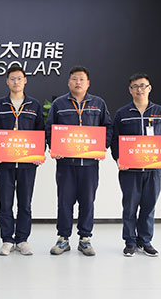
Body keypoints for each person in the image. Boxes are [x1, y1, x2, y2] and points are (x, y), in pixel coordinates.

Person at [45, 66, 112, 256]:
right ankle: (63, 239)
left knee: (87, 201)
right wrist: (54, 147)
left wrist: (102, 147)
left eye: (81, 79)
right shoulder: (59, 104)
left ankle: (85, 239)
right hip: (66, 164)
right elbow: (49, 128)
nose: (78, 82)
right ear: (69, 82)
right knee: (64, 202)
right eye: (74, 79)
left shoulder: (98, 103)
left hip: (89, 165)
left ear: (88, 83)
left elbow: (108, 127)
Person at [110, 73, 161, 257]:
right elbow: (115, 140)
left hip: (153, 170)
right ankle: (130, 242)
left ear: (149, 88)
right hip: (130, 170)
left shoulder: (160, 112)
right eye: (135, 86)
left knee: (148, 206)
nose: (139, 89)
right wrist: (118, 158)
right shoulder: (122, 114)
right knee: (129, 207)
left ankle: (145, 241)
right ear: (130, 90)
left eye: (143, 86)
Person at [0, 64, 45, 256]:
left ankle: (22, 240)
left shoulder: (34, 106)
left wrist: (39, 153)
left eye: (19, 78)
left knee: (25, 203)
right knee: (5, 203)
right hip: (4, 164)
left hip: (28, 164)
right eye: (12, 78)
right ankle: (7, 240)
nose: (16, 82)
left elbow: (41, 132)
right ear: (7, 82)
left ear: (25, 80)